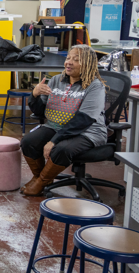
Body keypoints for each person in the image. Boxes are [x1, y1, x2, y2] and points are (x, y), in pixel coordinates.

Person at [20, 44, 107, 196]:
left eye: (76, 59)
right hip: (56, 126)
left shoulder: (95, 86)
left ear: (87, 63)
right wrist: (34, 95)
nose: (69, 62)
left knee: (62, 149)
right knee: (28, 142)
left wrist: (54, 140)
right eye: (68, 58)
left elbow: (84, 120)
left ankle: (41, 181)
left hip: (88, 131)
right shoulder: (56, 80)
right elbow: (40, 111)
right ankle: (41, 178)